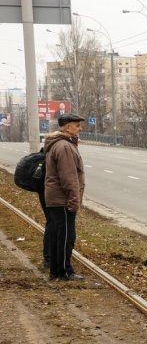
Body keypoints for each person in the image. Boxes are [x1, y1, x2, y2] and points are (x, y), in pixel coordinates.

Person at [44, 113, 86, 281]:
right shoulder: (64, 147)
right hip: (63, 200)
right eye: (77, 126)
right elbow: (69, 177)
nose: (79, 128)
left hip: (57, 198)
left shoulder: (61, 144)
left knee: (58, 235)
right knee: (66, 237)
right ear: (68, 127)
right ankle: (64, 271)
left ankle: (56, 270)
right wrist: (74, 201)